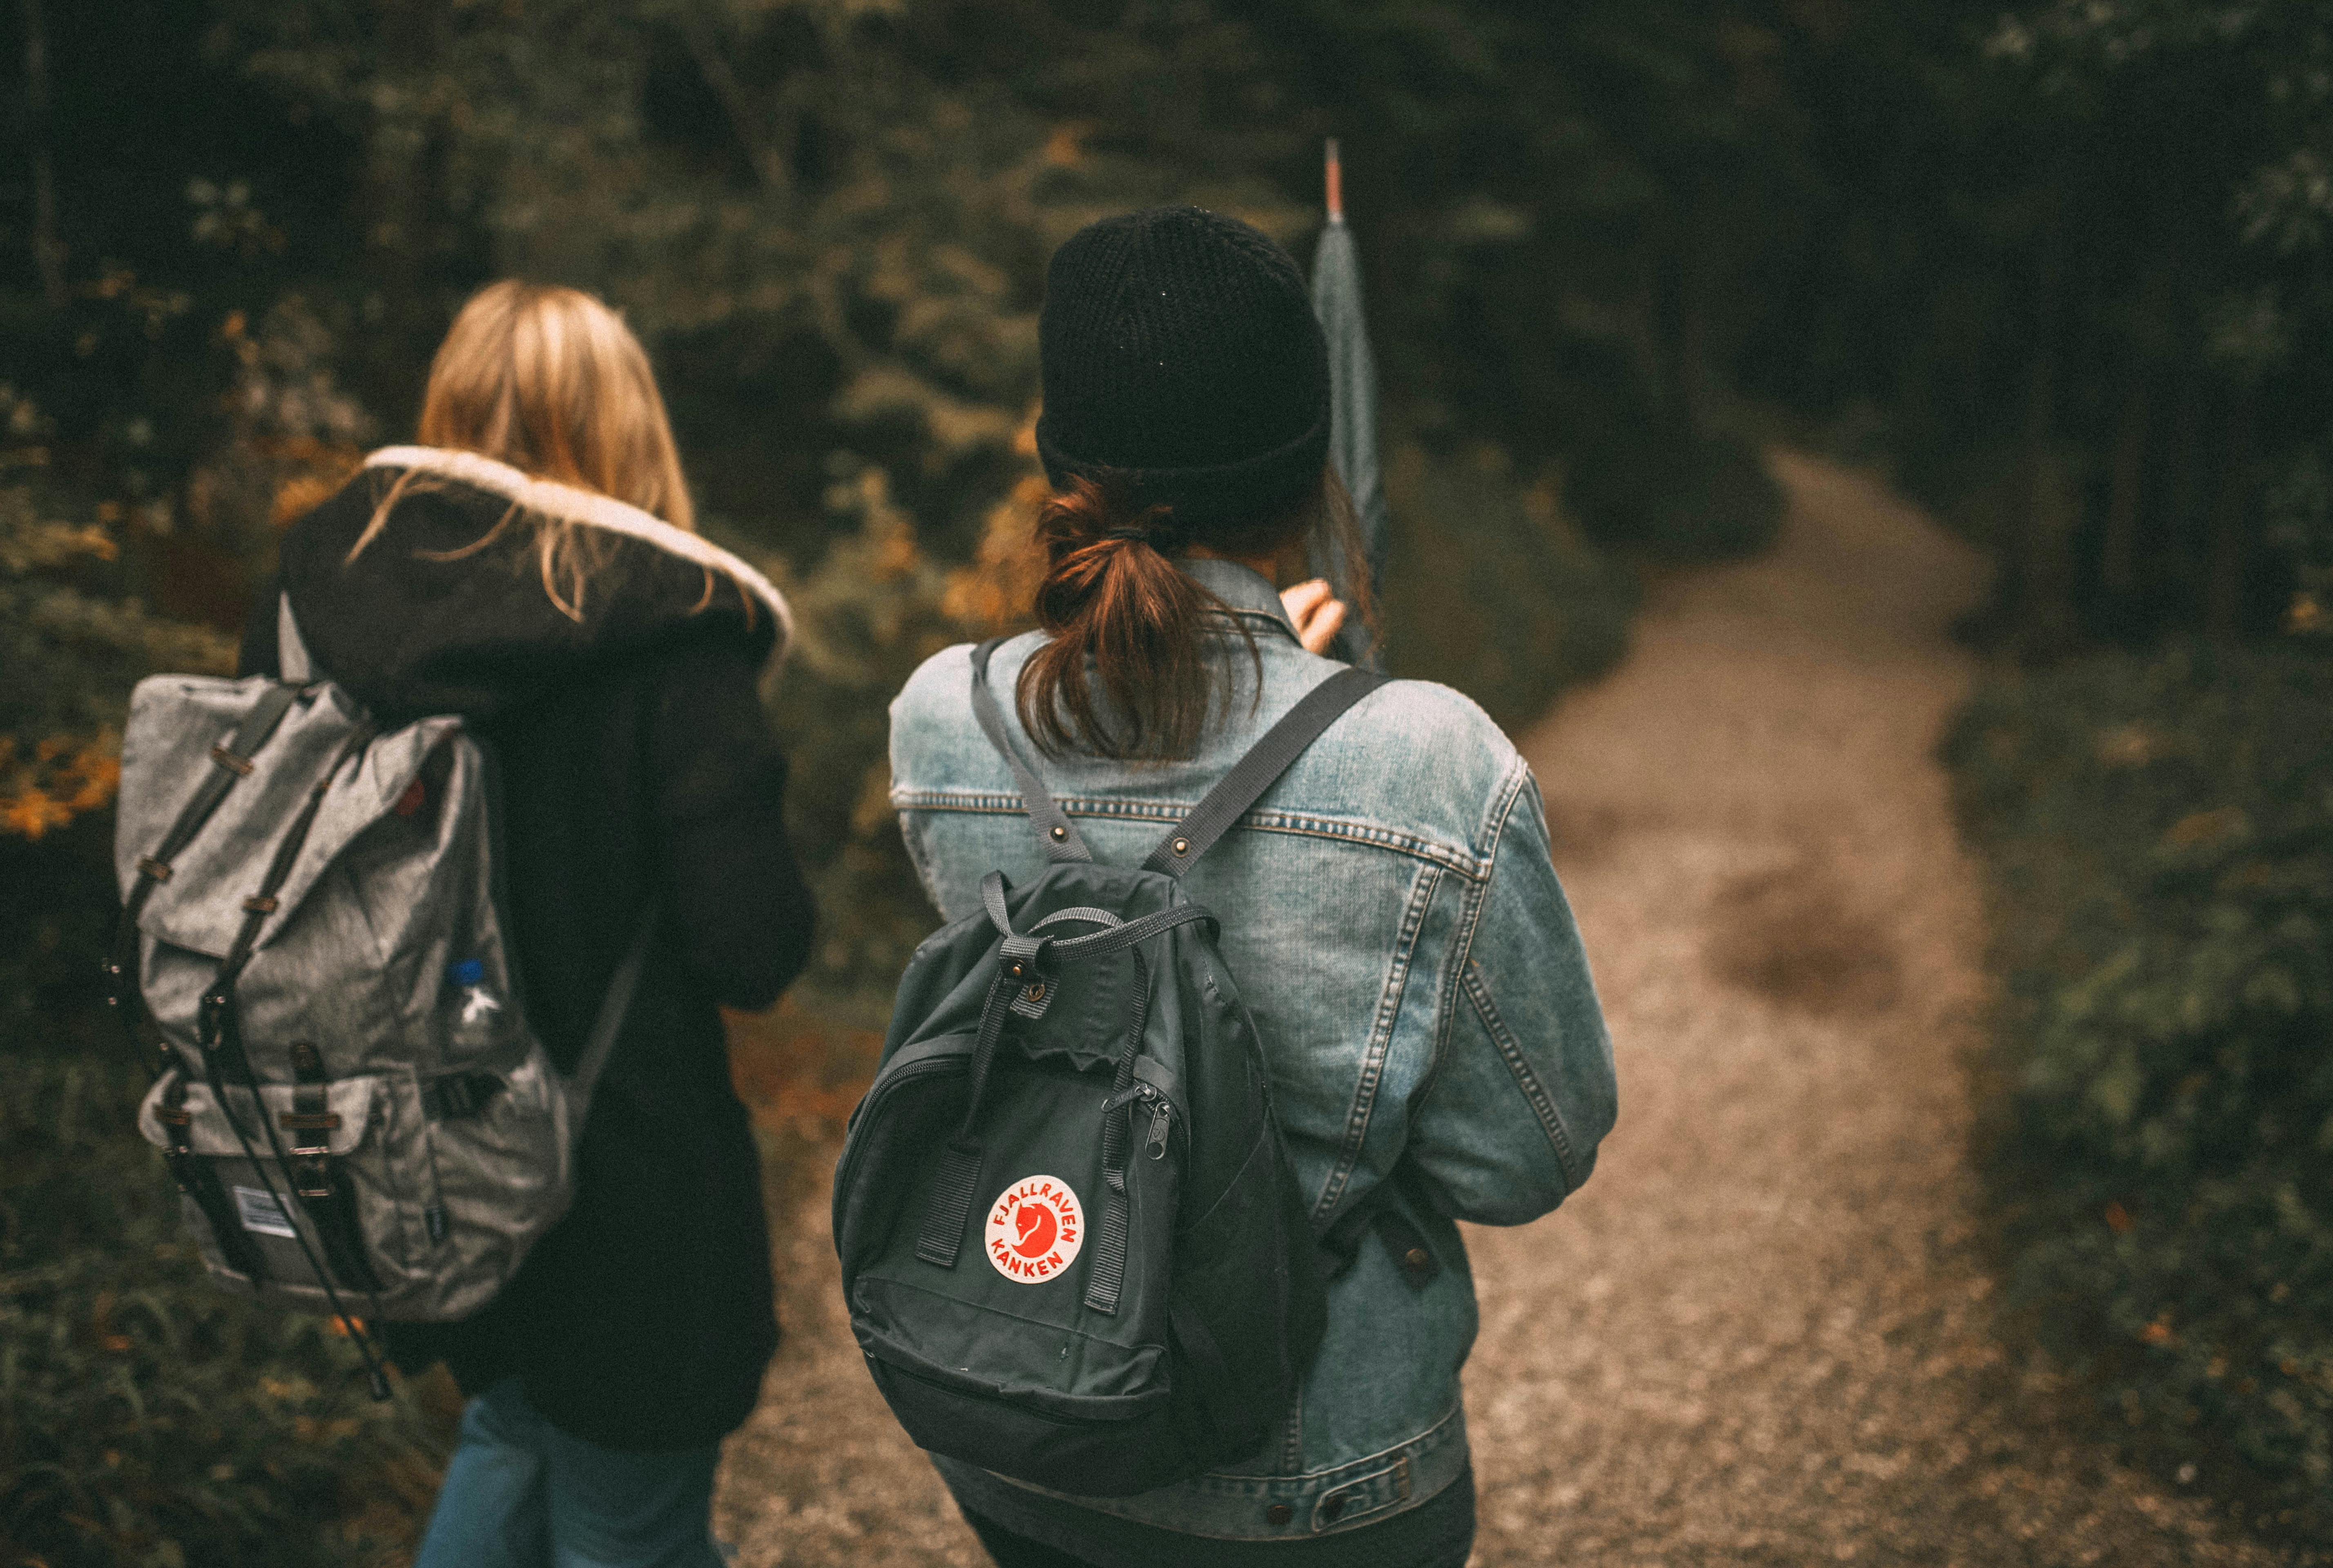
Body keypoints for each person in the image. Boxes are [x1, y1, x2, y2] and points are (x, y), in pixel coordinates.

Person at [888, 206, 1617, 1568]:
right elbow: (1526, 1158)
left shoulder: (941, 719)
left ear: (1062, 460)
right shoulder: (1427, 759)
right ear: (1309, 465)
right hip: (1315, 1476)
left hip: (1021, 1421)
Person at [238, 281, 814, 1568]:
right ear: (628, 429)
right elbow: (753, 952)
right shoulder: (675, 640)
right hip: (627, 1181)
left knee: (506, 1431)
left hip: (406, 1157)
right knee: (627, 1519)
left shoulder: (311, 599)